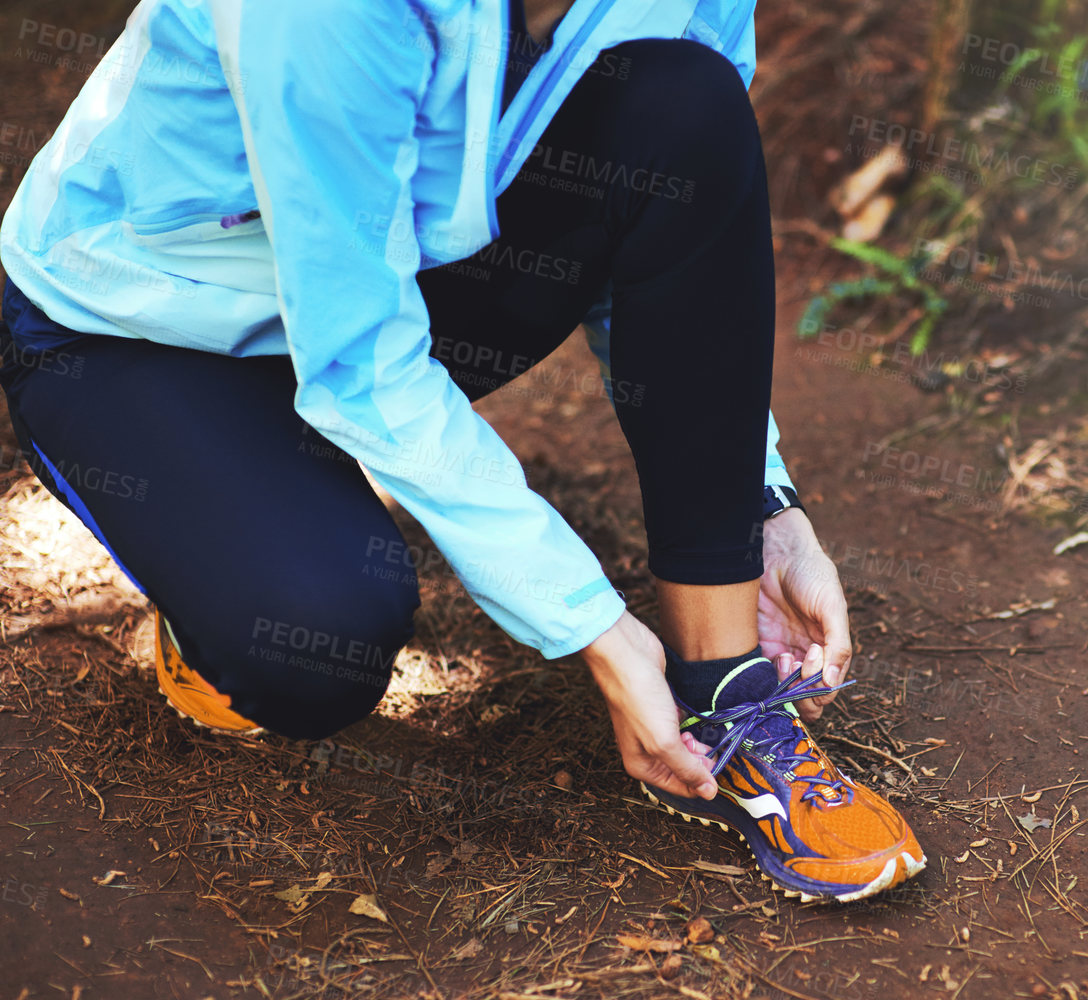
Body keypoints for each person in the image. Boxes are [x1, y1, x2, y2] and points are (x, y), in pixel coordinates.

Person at [0, 0, 925, 903]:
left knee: (687, 105)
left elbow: (667, 230)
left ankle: (726, 685)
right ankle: (211, 541)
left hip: (397, 276)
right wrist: (590, 626)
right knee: (310, 645)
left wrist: (758, 507)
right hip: (141, 327)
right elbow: (364, 361)